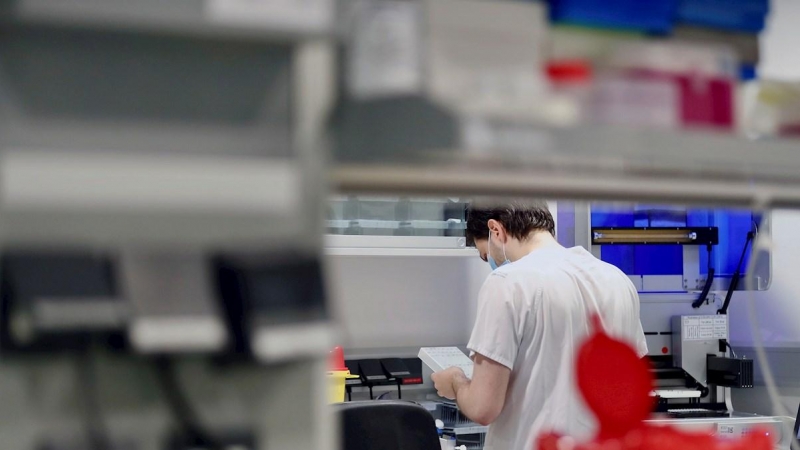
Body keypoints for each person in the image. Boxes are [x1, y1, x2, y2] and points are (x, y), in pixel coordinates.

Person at [431, 199, 647, 450]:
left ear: (496, 230)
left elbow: (483, 408)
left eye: (485, 255)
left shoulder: (506, 283)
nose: (491, 261)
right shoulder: (617, 280)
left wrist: (456, 381)